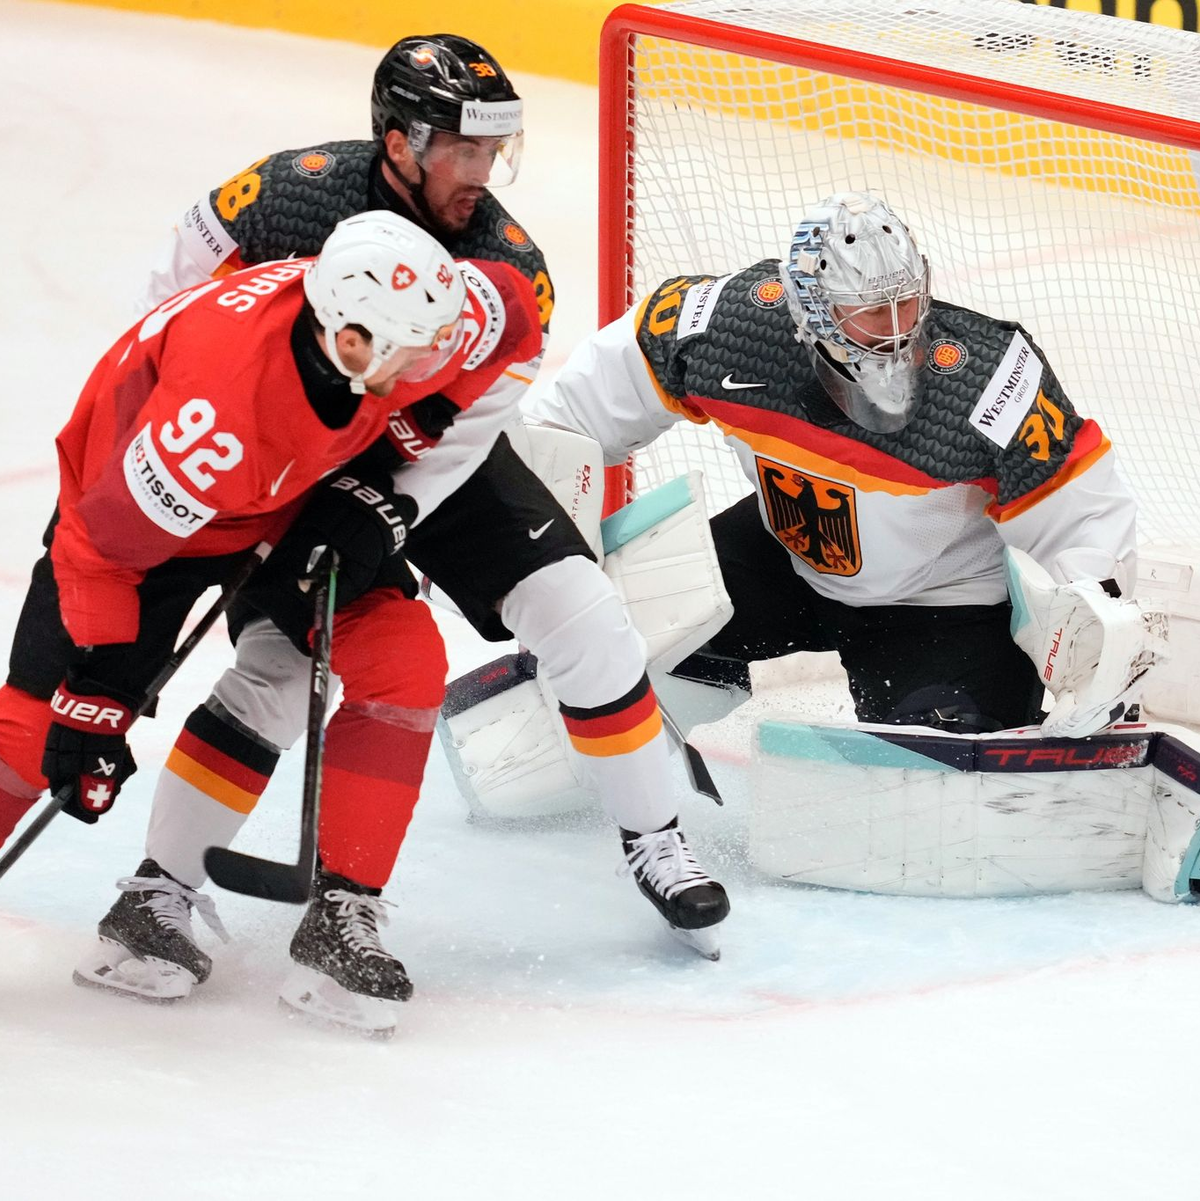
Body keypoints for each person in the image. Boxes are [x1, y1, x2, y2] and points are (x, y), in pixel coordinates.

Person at [65, 30, 728, 1001]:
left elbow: (474, 416)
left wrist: (387, 504)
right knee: (282, 669)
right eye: (464, 148)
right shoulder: (289, 193)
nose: (484, 172)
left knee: (584, 614)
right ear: (400, 140)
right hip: (286, 454)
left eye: (495, 149)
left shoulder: (508, 269)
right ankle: (158, 892)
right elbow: (167, 311)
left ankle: (655, 832)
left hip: (427, 454)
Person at [0, 208, 546, 1024]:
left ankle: (341, 912)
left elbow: (510, 317)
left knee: (404, 662)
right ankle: (151, 899)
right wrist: (95, 700)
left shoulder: (407, 318)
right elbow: (104, 551)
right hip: (150, 524)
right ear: (351, 343)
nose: (440, 359)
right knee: (36, 733)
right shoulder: (214, 419)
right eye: (418, 356)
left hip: (296, 488)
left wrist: (402, 448)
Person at [525, 191, 1161, 739]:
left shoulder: (987, 380)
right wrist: (527, 556)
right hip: (786, 556)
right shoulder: (725, 327)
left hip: (947, 602)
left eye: (906, 305)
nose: (895, 331)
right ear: (810, 311)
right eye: (870, 312)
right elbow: (570, 418)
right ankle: (620, 763)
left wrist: (1089, 656)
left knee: (923, 795)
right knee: (612, 647)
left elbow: (1083, 524)